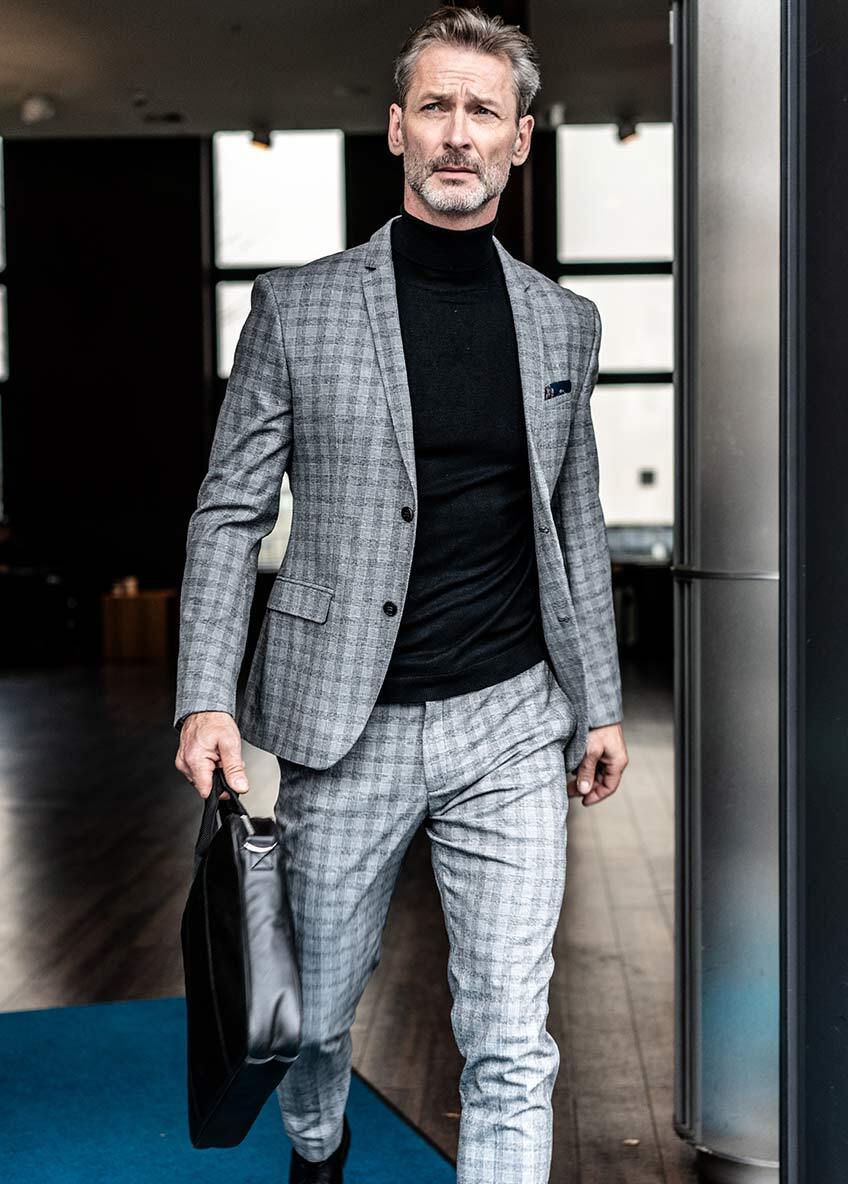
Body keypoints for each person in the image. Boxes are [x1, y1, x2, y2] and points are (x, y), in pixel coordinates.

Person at [174, 6, 628, 1182]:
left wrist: (597, 699)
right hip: (345, 721)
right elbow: (228, 508)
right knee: (315, 1018)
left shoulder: (562, 322)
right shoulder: (298, 306)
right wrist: (203, 696)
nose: (457, 132)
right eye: (435, 106)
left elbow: (571, 518)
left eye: (483, 110)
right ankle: (317, 1151)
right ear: (396, 129)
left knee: (509, 1035)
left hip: (510, 717)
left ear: (518, 139)